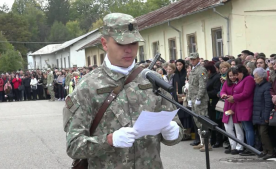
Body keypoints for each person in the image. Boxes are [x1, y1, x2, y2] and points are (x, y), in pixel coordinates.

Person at [64, 13, 183, 169]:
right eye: (121, 43)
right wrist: (109, 140)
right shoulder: (87, 86)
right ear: (104, 44)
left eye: (133, 43)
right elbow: (74, 146)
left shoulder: (151, 79)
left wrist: (173, 133)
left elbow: (176, 128)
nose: (129, 50)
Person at [227, 65, 256, 156]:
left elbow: (246, 93)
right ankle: (247, 146)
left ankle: (251, 147)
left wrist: (234, 97)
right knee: (245, 128)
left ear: (242, 72)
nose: (236, 76)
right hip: (240, 106)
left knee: (248, 128)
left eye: (237, 74)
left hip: (246, 106)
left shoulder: (248, 79)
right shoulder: (241, 80)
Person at [187, 53, 210, 152]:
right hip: (193, 98)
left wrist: (199, 97)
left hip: (200, 100)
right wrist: (189, 98)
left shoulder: (201, 70)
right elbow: (191, 86)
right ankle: (202, 142)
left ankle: (207, 143)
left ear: (198, 59)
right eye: (191, 59)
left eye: (194, 59)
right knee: (197, 122)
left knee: (203, 121)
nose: (192, 61)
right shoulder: (193, 69)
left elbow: (202, 85)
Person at [220, 68, 244, 155]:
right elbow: (222, 91)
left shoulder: (240, 83)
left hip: (236, 106)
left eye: (234, 75)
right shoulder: (227, 82)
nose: (232, 77)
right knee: (228, 127)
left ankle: (239, 147)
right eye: (230, 75)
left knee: (238, 128)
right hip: (227, 107)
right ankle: (233, 146)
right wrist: (223, 95)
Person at [252, 68, 275, 159]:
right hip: (258, 114)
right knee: (260, 133)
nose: (254, 79)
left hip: (263, 114)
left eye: (256, 77)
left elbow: (268, 103)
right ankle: (265, 150)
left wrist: (266, 116)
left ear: (261, 77)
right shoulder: (258, 86)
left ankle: (270, 151)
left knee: (263, 133)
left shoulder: (267, 86)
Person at [204, 62, 222, 148]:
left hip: (215, 102)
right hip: (210, 103)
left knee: (216, 122)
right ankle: (213, 139)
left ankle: (218, 140)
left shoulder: (216, 78)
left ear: (209, 70)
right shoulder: (209, 77)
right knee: (211, 121)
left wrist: (205, 93)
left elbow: (216, 91)